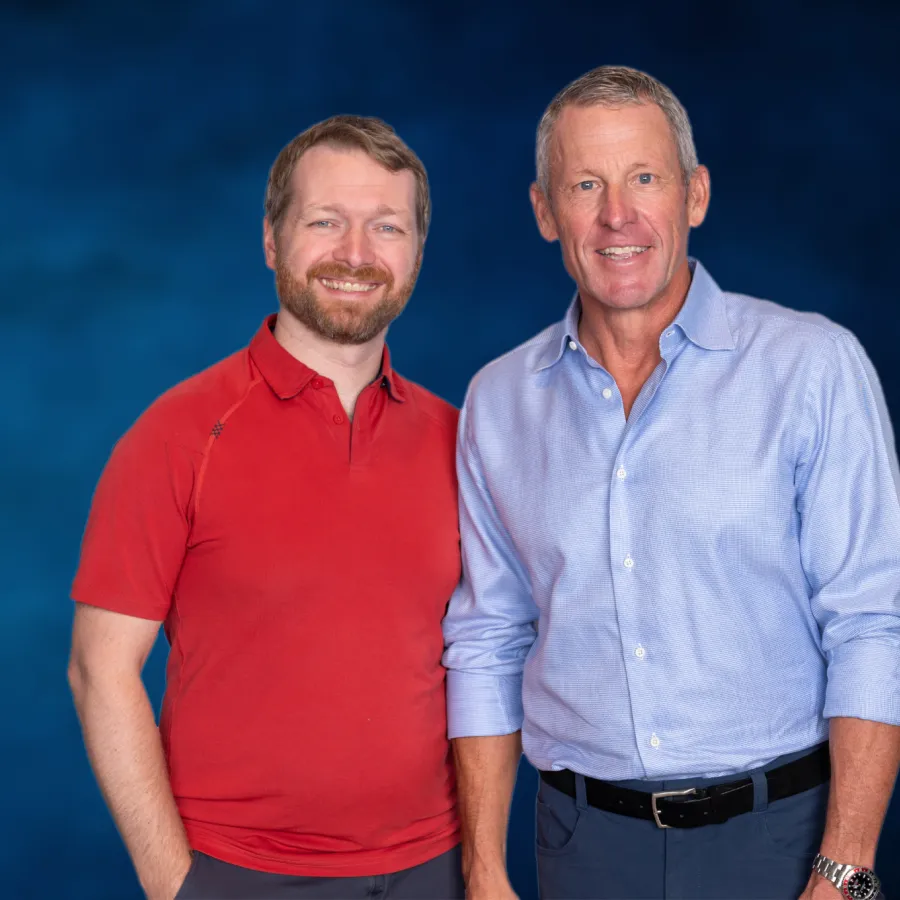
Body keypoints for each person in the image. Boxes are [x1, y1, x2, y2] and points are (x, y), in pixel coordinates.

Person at [442, 65, 900, 900]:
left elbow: (872, 625)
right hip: (580, 846)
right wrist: (482, 869)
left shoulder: (811, 367)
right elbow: (486, 640)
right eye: (585, 184)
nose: (618, 214)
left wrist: (846, 871)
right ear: (546, 212)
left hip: (783, 842)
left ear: (695, 195)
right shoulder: (498, 402)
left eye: (644, 177)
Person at [68, 115, 464, 900]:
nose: (356, 254)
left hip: (432, 870)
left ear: (416, 251)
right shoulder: (178, 435)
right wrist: (174, 883)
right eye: (326, 222)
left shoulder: (464, 441)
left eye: (386, 226)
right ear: (272, 241)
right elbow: (99, 670)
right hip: (237, 875)